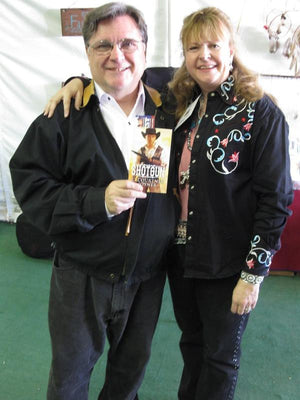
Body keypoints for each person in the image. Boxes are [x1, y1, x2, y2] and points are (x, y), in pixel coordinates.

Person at [43, 7, 293, 400]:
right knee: (192, 346)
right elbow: (119, 70)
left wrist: (253, 275)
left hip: (226, 262)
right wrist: (76, 81)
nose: (204, 55)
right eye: (194, 47)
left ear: (231, 49)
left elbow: (276, 201)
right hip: (179, 258)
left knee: (219, 358)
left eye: (214, 45)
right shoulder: (181, 99)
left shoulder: (262, 113)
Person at [9, 3, 178, 400]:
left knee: (127, 379)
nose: (117, 55)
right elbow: (29, 185)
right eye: (103, 46)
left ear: (145, 50)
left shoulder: (170, 104)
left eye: (127, 43)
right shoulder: (64, 114)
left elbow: (213, 67)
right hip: (81, 276)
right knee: (69, 381)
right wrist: (95, 201)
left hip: (147, 275)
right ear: (87, 54)